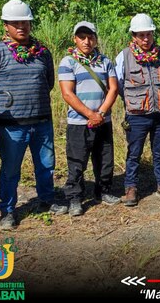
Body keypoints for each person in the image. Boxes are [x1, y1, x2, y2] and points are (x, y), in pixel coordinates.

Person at [0, 0, 67, 230]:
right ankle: (8, 211)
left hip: (42, 122)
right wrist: (9, 104)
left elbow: (47, 82)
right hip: (11, 125)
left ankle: (46, 200)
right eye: (15, 22)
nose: (21, 26)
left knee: (46, 165)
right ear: (5, 25)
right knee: (10, 170)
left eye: (25, 22)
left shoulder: (42, 52)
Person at [116, 13, 160, 207]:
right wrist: (133, 100)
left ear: (153, 34)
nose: (145, 39)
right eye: (141, 35)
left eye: (148, 34)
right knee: (134, 153)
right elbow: (119, 83)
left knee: (159, 151)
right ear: (133, 36)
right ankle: (131, 188)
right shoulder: (124, 56)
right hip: (136, 115)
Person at [58, 22, 120, 216]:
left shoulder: (105, 61)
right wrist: (89, 114)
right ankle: (75, 198)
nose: (86, 41)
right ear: (75, 39)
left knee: (105, 158)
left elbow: (113, 89)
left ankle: (104, 191)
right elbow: (67, 94)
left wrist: (100, 113)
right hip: (79, 122)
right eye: (82, 37)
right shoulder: (68, 62)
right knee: (77, 160)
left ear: (95, 38)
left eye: (90, 37)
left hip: (103, 120)